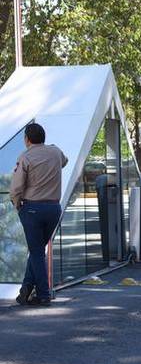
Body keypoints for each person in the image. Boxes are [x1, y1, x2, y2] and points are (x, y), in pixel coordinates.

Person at [11, 123, 68, 307]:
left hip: (32, 209)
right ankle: (25, 290)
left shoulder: (25, 157)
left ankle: (43, 295)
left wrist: (17, 204)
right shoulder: (56, 152)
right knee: (37, 250)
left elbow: (16, 187)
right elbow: (64, 161)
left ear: (27, 139)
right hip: (53, 209)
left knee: (36, 252)